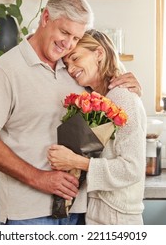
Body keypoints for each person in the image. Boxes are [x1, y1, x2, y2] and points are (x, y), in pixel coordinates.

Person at [0, 0, 142, 225]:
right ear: (46, 18)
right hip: (29, 214)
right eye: (64, 32)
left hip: (79, 211)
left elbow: (110, 104)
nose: (68, 44)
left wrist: (130, 86)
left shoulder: (74, 67)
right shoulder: (7, 70)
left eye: (75, 38)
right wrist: (39, 178)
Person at [47, 29, 147, 225]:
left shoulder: (122, 96)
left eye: (75, 58)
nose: (70, 68)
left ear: (99, 53)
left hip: (117, 216)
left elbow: (132, 169)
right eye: (66, 64)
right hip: (101, 209)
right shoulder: (101, 98)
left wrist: (76, 162)